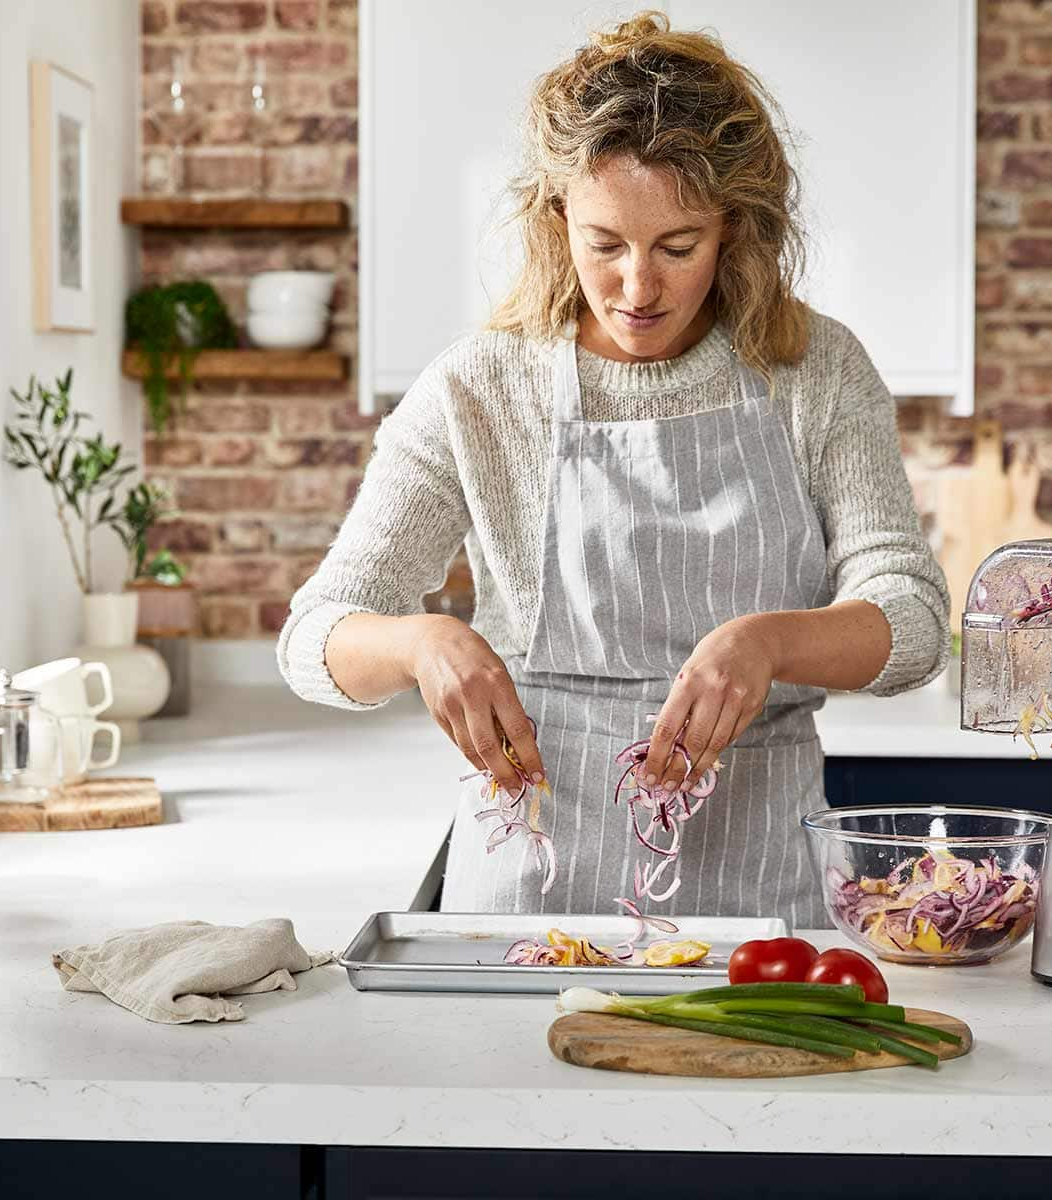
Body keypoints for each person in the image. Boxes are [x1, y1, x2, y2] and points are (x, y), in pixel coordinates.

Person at [278, 12, 948, 927]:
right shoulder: (479, 386)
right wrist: (420, 644)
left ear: (735, 230)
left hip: (759, 900)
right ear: (558, 219)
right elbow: (314, 641)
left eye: (678, 247)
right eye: (605, 243)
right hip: (527, 898)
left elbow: (910, 624)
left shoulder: (815, 371)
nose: (638, 288)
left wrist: (767, 644)